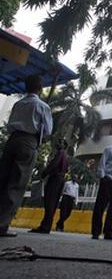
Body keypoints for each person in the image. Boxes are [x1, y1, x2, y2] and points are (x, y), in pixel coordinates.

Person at [0, 75, 53, 237]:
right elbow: (48, 131)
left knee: (3, 180)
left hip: (12, 140)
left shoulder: (18, 103)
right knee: (17, 184)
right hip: (28, 142)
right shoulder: (42, 106)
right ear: (40, 88)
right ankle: (2, 225)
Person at [30, 138, 69, 233]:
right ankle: (46, 225)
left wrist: (45, 173)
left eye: (60, 142)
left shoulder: (60, 153)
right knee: (53, 203)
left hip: (55, 179)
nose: (58, 143)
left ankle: (45, 226)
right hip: (60, 179)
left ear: (64, 145)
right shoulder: (66, 156)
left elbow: (54, 164)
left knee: (49, 202)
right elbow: (66, 169)